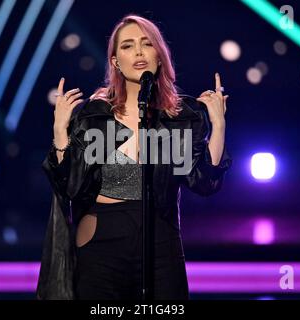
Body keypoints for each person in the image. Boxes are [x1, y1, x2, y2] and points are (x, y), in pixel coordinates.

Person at [36, 14, 232, 300]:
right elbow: (69, 187)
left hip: (161, 244)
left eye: (146, 44)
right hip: (100, 244)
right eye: (127, 46)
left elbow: (205, 182)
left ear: (159, 55)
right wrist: (60, 131)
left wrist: (219, 125)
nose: (139, 52)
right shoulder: (95, 115)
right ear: (115, 61)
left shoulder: (180, 118)